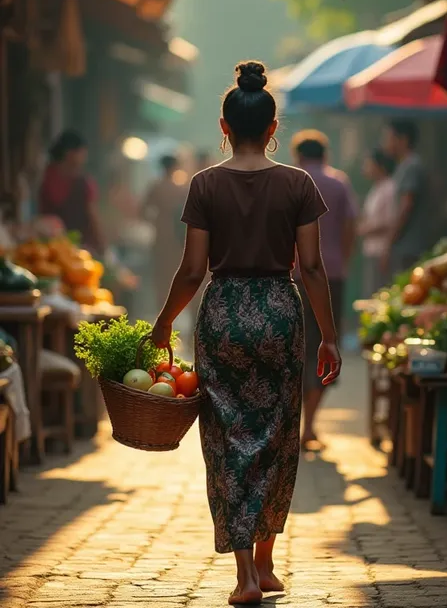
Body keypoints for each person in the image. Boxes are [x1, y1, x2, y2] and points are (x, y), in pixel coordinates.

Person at [151, 61, 340, 606]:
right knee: (279, 434)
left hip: (224, 315)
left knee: (228, 437)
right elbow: (311, 267)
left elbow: (192, 270)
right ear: (274, 126)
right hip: (281, 313)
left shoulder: (205, 184)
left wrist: (164, 322)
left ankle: (245, 577)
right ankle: (267, 562)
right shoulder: (298, 183)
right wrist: (327, 335)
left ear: (224, 126)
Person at [291, 129, 357, 452]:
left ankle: (295, 428)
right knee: (325, 346)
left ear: (298, 155)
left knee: (297, 346)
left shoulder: (292, 181)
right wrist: (341, 258)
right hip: (332, 275)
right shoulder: (339, 183)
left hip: (295, 275)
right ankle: (310, 427)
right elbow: (350, 225)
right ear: (325, 154)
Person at [39, 130, 105, 254]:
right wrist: (103, 247)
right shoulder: (83, 183)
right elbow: (93, 217)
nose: (84, 157)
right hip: (75, 249)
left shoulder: (46, 176)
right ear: (70, 153)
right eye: (82, 153)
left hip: (50, 249)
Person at [142, 155, 188, 310]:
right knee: (177, 275)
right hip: (178, 237)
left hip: (161, 236)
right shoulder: (180, 189)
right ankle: (176, 309)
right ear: (175, 167)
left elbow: (143, 211)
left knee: (161, 277)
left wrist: (155, 221)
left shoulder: (155, 187)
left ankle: (161, 312)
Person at [382, 120, 428, 274]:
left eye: (389, 138)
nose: (385, 143)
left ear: (403, 140)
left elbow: (406, 206)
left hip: (410, 246)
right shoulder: (403, 166)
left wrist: (389, 241)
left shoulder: (411, 165)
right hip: (404, 246)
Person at [359, 149, 396, 297]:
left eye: (369, 164)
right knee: (370, 292)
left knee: (378, 293)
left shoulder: (389, 188)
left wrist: (365, 229)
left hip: (382, 249)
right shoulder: (377, 188)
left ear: (380, 166)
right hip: (371, 249)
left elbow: (389, 221)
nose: (366, 168)